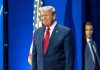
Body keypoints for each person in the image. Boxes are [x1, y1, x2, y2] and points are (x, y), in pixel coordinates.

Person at [32, 6, 75, 70]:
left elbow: (69, 59)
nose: (43, 18)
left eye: (46, 15)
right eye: (42, 16)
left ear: (54, 16)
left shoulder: (65, 32)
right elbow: (34, 56)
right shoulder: (37, 32)